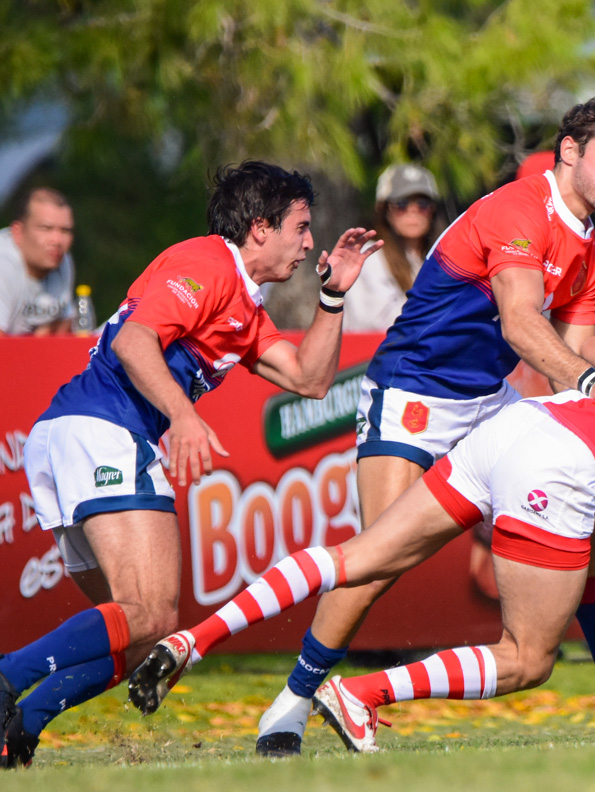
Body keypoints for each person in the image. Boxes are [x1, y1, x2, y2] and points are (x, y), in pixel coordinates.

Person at [249, 94, 595, 758]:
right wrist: (592, 383)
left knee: (576, 522)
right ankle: (291, 705)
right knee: (378, 560)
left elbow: (572, 354)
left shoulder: (589, 251)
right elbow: (522, 323)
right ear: (570, 153)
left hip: (486, 402)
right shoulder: (519, 208)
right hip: (411, 391)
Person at [128, 339, 595, 753]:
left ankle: (196, 638)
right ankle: (362, 694)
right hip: (558, 469)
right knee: (527, 659)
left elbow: (594, 342)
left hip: (517, 425)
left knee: (356, 557)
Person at [0, 162, 379, 769]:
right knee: (151, 615)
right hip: (103, 429)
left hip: (75, 436)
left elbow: (310, 379)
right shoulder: (207, 263)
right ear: (260, 228)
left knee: (142, 631)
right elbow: (132, 341)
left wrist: (334, 295)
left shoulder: (247, 311)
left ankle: (21, 725)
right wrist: (183, 415)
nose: (310, 243)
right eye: (301, 228)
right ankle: (6, 679)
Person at [342, 164, 442, 333]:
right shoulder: (369, 256)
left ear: (433, 210)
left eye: (422, 204)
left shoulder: (438, 258)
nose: (413, 211)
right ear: (384, 209)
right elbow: (381, 321)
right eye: (401, 204)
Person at [0, 188, 76, 335]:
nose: (57, 240)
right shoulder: (3, 263)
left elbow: (65, 328)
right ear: (18, 232)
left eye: (65, 230)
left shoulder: (63, 260)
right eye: (46, 228)